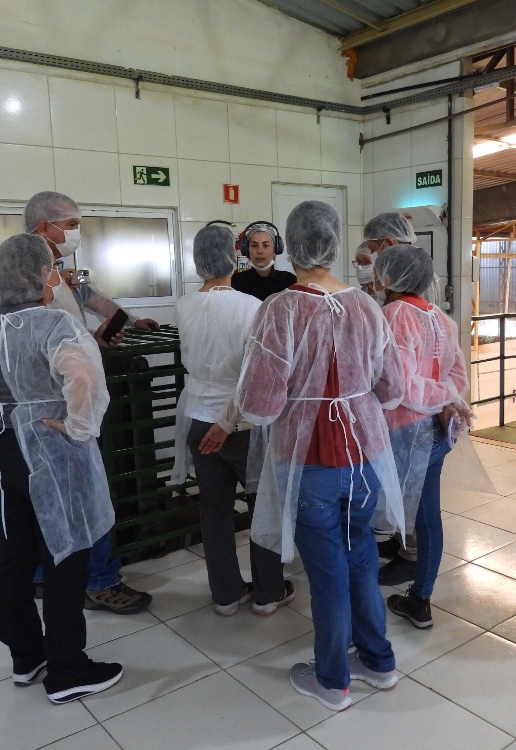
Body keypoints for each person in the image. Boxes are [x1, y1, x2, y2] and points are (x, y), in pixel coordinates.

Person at [236, 200, 406, 712]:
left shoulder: (280, 308)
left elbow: (259, 404)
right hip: (364, 457)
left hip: (309, 462)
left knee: (328, 571)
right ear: (335, 243)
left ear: (290, 245)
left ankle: (332, 679)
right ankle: (379, 661)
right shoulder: (368, 307)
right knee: (360, 559)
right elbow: (392, 387)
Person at [0, 234, 123, 704]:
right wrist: (78, 428)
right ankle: (68, 669)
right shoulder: (53, 322)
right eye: (53, 270)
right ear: (42, 274)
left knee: (15, 552)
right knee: (64, 554)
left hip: (3, 447)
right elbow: (82, 376)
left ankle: (26, 657)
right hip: (49, 446)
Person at [24, 191, 154, 615]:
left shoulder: (56, 270)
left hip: (50, 401)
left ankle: (44, 573)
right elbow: (46, 338)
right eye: (72, 223)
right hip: (62, 401)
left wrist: (131, 321)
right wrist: (89, 347)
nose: (76, 231)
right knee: (87, 494)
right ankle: (100, 581)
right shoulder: (33, 272)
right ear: (45, 226)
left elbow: (91, 301)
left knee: (55, 493)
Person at [173, 224, 293, 615]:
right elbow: (255, 375)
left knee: (215, 511)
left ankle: (225, 595)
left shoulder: (184, 304)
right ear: (234, 256)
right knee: (262, 505)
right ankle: (268, 592)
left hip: (196, 419)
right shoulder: (250, 308)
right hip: (241, 427)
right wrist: (227, 423)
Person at [375, 245, 473, 630]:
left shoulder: (393, 316)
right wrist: (443, 399)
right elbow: (458, 379)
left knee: (368, 516)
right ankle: (421, 599)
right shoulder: (441, 319)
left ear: (388, 278)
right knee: (428, 517)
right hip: (437, 432)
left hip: (402, 432)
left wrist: (431, 398)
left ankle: (360, 597)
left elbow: (398, 386)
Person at [364, 212, 428, 585]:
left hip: (408, 410)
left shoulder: (397, 309)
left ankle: (413, 553)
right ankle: (401, 541)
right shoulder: (405, 298)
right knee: (403, 482)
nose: (370, 259)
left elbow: (397, 371)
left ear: (387, 245)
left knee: (413, 486)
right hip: (414, 409)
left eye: (373, 251)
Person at [231, 221, 296, 301]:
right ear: (246, 249)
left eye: (265, 245)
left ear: (275, 248)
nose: (259, 251)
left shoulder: (289, 281)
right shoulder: (237, 281)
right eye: (254, 246)